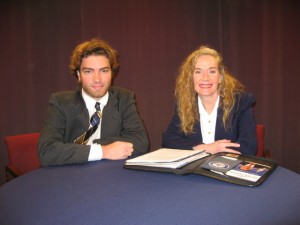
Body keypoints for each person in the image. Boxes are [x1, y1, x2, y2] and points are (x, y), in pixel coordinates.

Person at [38, 38, 149, 166]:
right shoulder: (61, 102)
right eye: (89, 71)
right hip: (70, 175)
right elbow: (47, 152)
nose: (97, 79)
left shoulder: (124, 98)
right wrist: (103, 151)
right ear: (79, 75)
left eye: (104, 70)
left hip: (111, 174)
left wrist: (83, 147)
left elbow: (140, 143)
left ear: (111, 73)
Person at [162, 46, 257, 155]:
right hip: (195, 167)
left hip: (226, 166)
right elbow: (168, 139)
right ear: (191, 78)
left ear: (220, 77)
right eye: (198, 72)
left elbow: (249, 146)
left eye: (211, 71)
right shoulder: (185, 104)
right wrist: (206, 148)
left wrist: (217, 152)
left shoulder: (241, 102)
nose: (205, 78)